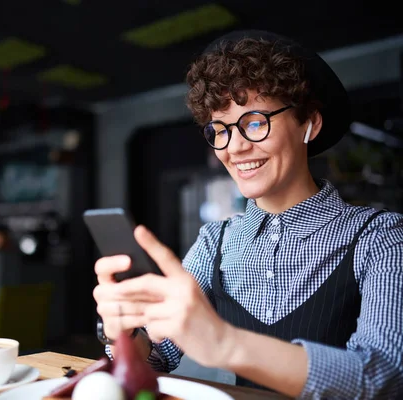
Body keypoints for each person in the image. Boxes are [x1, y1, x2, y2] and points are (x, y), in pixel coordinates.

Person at [93, 30, 403, 399]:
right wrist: (123, 332)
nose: (235, 147)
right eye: (220, 129)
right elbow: (158, 357)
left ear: (309, 123)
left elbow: (383, 377)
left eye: (254, 122)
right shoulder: (216, 241)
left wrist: (226, 342)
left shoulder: (381, 236)